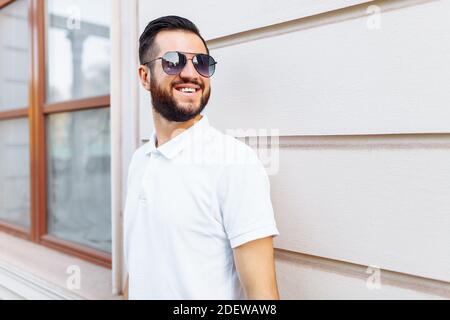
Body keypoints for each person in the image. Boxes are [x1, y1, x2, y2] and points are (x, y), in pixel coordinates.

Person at [123, 15, 280, 300]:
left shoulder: (235, 164)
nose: (191, 74)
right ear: (145, 77)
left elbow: (263, 297)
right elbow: (138, 264)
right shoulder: (140, 160)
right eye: (173, 61)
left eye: (201, 63)